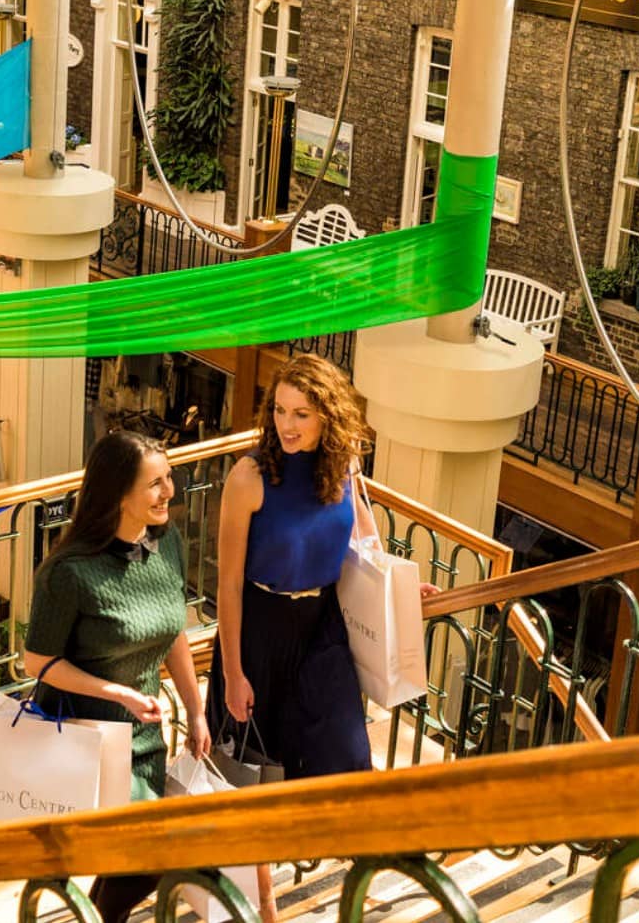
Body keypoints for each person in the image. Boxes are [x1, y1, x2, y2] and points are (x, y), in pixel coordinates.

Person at [208, 354, 391, 922]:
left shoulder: (345, 468)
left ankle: (360, 887)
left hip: (324, 632)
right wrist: (234, 672)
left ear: (328, 419)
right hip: (260, 630)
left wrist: (404, 589)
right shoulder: (250, 476)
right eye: (281, 411)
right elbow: (229, 587)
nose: (287, 425)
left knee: (348, 755)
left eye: (302, 415)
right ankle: (263, 907)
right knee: (258, 773)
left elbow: (366, 544)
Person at [24, 431, 209, 923]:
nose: (169, 491)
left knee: (124, 860)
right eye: (154, 484)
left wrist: (196, 708)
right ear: (118, 495)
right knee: (145, 857)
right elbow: (36, 661)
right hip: (84, 735)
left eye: (169, 478)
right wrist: (116, 692)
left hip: (145, 733)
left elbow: (172, 630)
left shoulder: (165, 545)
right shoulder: (68, 573)